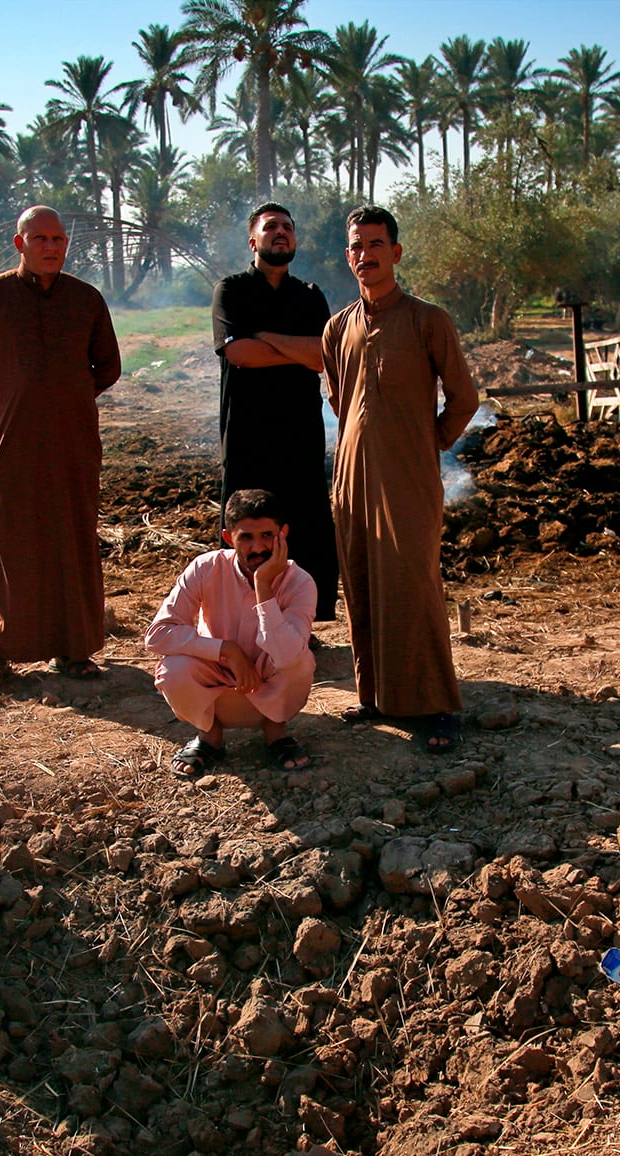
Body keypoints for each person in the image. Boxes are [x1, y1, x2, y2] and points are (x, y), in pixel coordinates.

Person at [322, 204, 479, 753]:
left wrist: (426, 440)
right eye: (357, 247)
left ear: (396, 252)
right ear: (349, 257)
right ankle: (375, 698)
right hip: (351, 475)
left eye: (376, 244)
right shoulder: (338, 326)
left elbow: (464, 398)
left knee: (413, 581)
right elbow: (341, 399)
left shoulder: (426, 319)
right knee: (362, 580)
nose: (366, 255)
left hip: (409, 476)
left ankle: (435, 705)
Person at [0, 206, 122, 692]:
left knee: (74, 537)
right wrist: (8, 400)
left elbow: (107, 366)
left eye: (59, 239)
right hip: (12, 443)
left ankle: (74, 648)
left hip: (74, 443)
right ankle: (2, 650)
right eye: (41, 238)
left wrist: (63, 398)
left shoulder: (85, 300)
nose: (51, 247)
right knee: (15, 543)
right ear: (20, 243)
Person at [212, 203, 337, 623]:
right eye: (270, 227)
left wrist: (264, 334)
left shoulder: (310, 296)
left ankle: (299, 622)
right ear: (253, 241)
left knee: (300, 524)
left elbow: (322, 356)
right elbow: (240, 353)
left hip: (300, 432)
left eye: (287, 226)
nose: (280, 232)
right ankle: (244, 621)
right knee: (249, 526)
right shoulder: (231, 290)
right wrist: (293, 348)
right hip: (248, 432)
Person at [146, 488, 318, 777]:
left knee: (299, 659)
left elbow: (287, 658)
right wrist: (226, 650)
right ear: (228, 538)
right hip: (218, 688)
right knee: (174, 667)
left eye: (267, 535)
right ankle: (209, 737)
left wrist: (264, 587)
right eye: (246, 538)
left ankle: (276, 734)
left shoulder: (299, 582)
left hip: (273, 690)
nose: (258, 548)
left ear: (283, 534)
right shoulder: (205, 568)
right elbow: (158, 635)